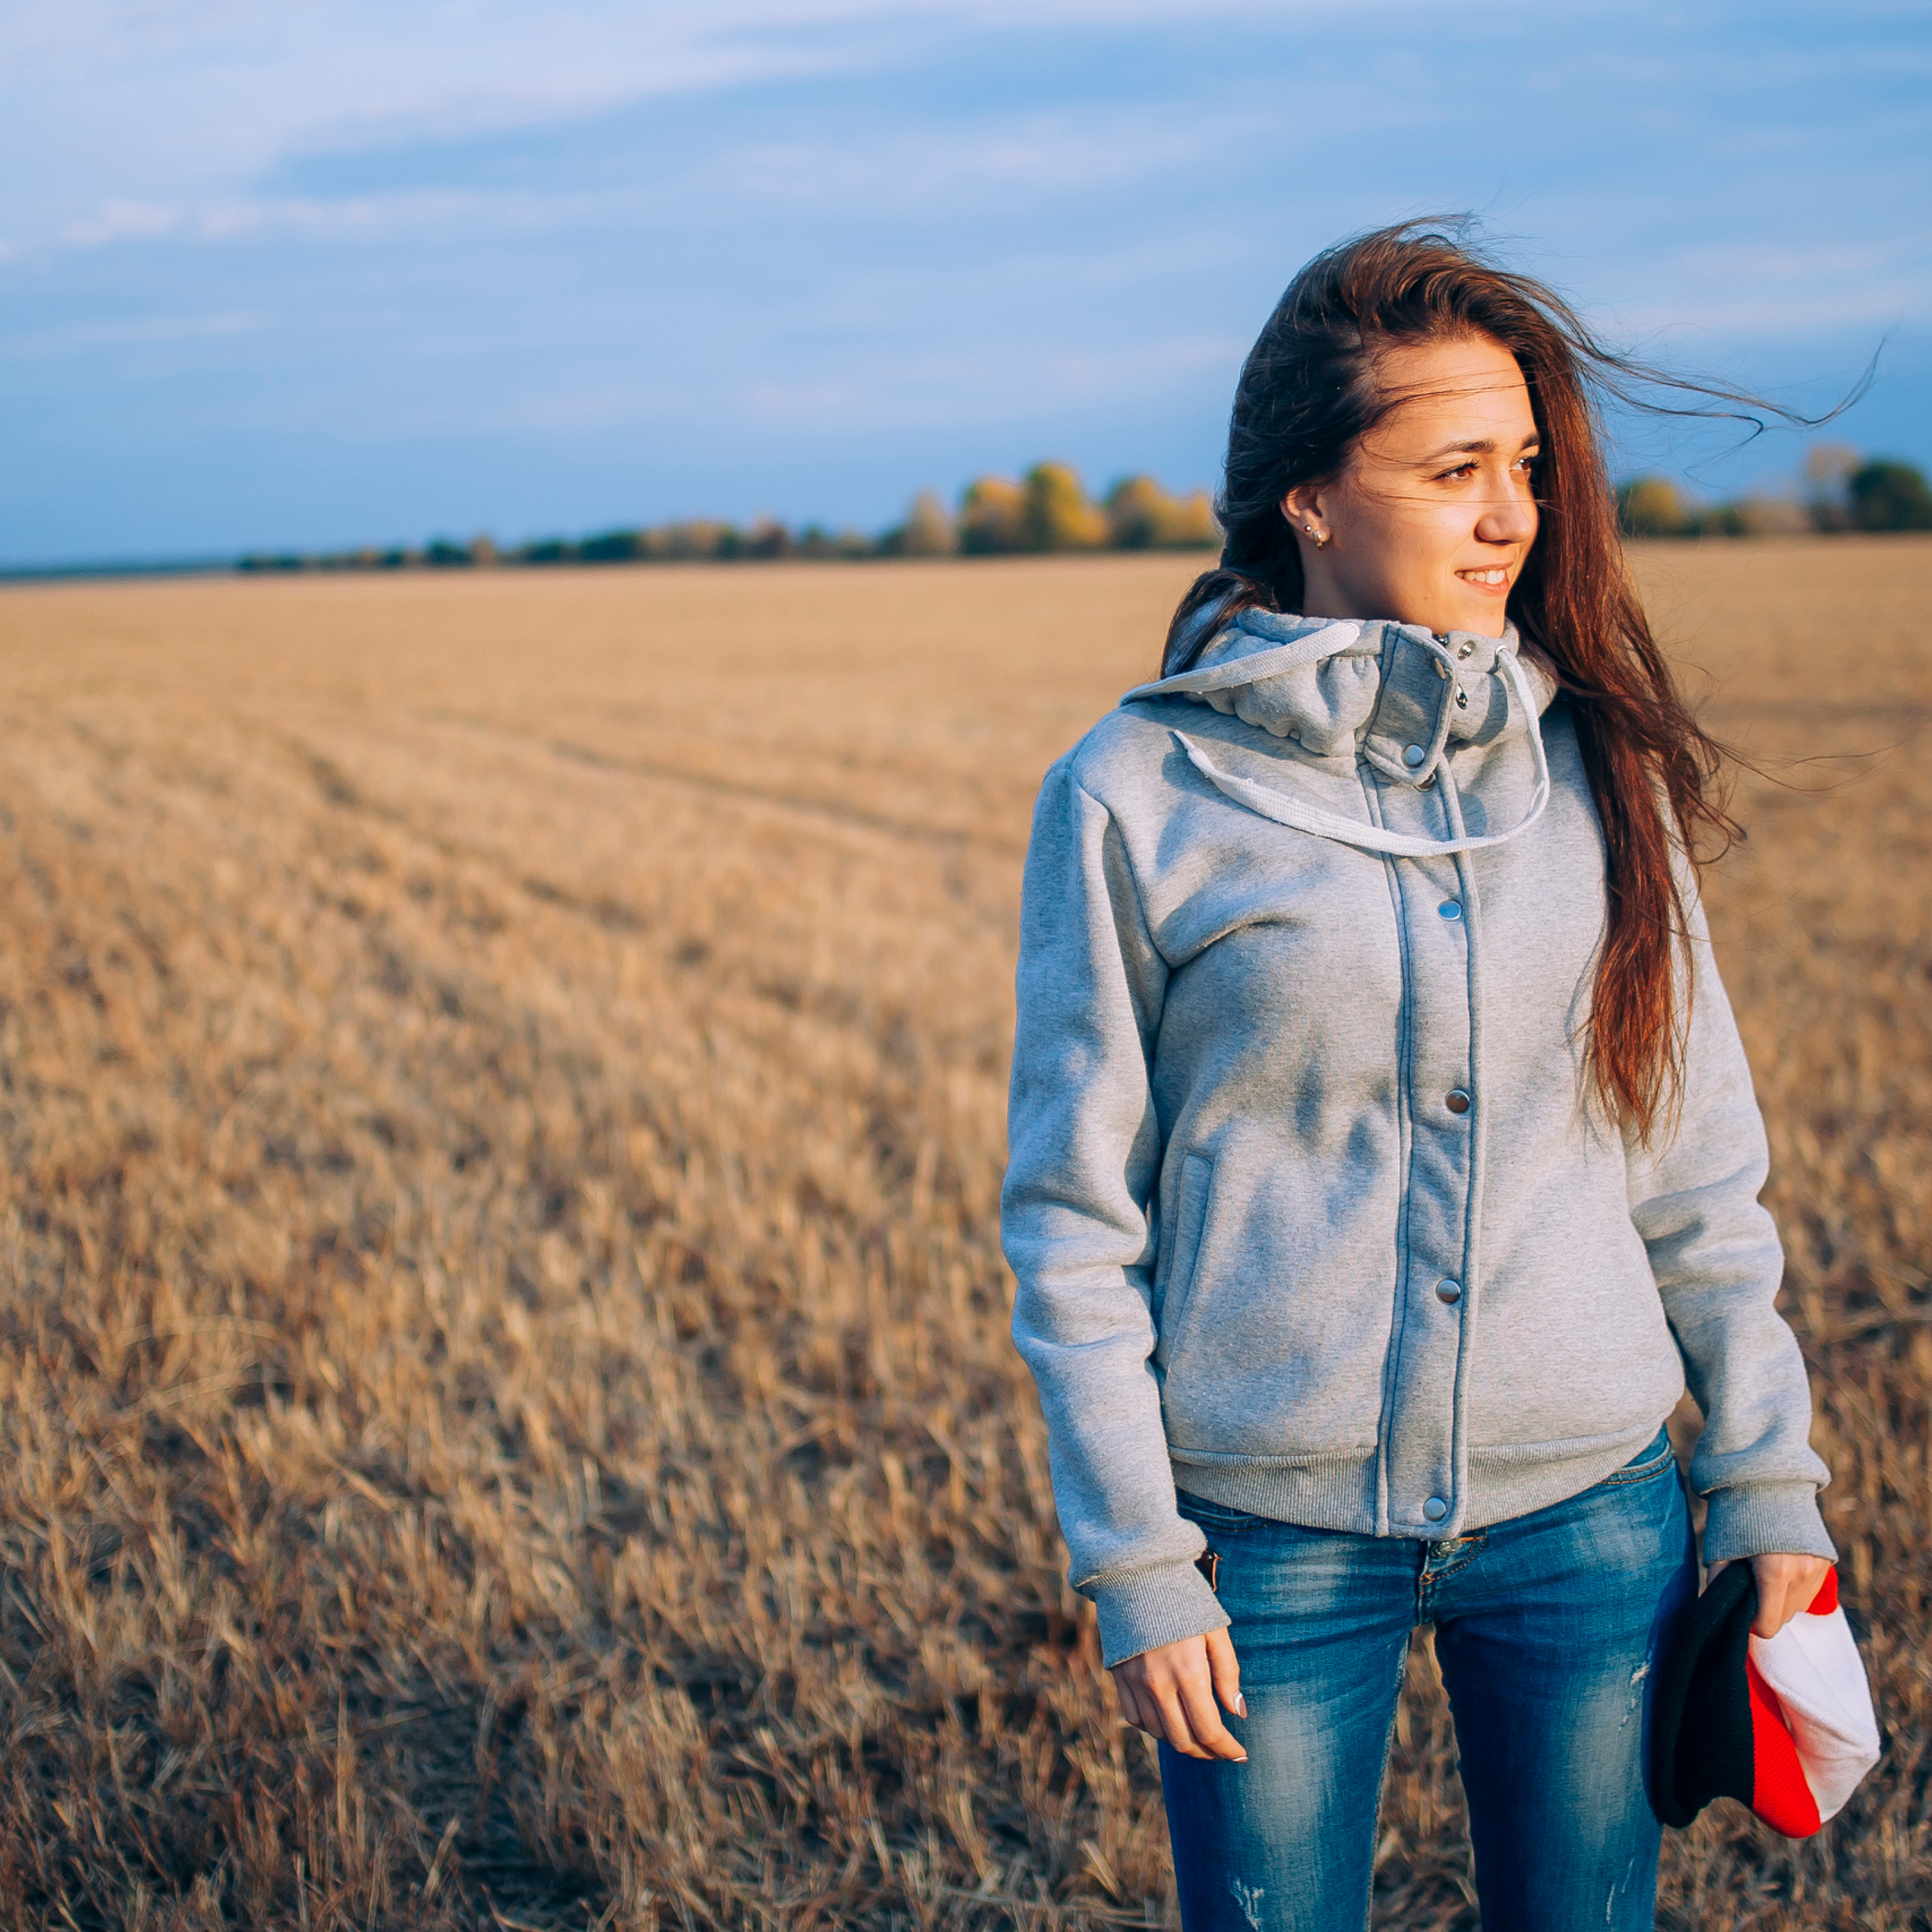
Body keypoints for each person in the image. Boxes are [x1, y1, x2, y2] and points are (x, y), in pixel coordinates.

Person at [999, 224, 1836, 1932]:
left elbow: (1691, 1166)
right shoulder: (1132, 791)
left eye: (1522, 465)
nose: (1511, 514)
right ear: (1308, 494)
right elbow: (1072, 1221)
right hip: (1271, 1545)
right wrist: (1140, 1563)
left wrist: (1761, 1472)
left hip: (1592, 1518)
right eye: (1452, 467)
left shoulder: (1593, 766)